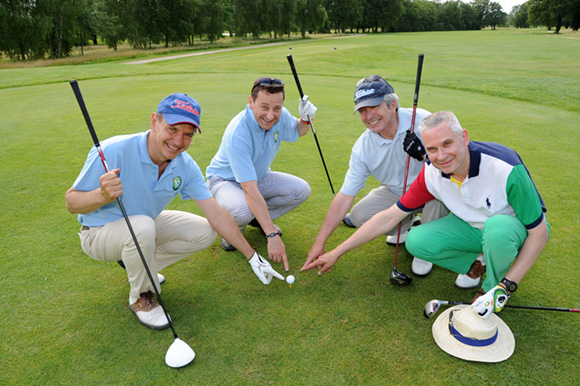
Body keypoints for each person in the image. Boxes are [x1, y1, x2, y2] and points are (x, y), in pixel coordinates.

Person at [65, 93, 283, 330]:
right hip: (97, 233)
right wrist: (101, 195)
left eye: (187, 134)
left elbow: (217, 214)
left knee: (206, 231)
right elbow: (71, 202)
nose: (179, 141)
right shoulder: (113, 150)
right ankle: (141, 298)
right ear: (154, 122)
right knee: (143, 228)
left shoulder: (184, 165)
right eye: (172, 129)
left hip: (142, 226)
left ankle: (141, 267)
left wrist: (252, 256)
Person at [303, 111, 549, 315]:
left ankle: (490, 288)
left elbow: (539, 233)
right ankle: (476, 265)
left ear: (464, 137)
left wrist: (507, 285)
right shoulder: (431, 173)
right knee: (416, 240)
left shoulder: (504, 166)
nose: (441, 156)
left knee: (498, 230)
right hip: (473, 228)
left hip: (513, 230)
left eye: (447, 144)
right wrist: (337, 251)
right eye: (432, 149)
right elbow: (389, 217)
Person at [303, 75, 447, 277]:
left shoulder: (423, 121)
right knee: (359, 215)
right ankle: (407, 225)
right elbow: (345, 196)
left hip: (432, 190)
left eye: (374, 107)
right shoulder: (363, 147)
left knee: (437, 189)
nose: (369, 116)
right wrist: (320, 243)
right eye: (362, 110)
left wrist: (425, 155)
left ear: (393, 105)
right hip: (398, 194)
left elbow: (454, 165)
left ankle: (425, 249)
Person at [206, 77, 316, 271]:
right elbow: (249, 190)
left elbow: (299, 131)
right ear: (251, 102)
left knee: (301, 190)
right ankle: (232, 231)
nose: (270, 115)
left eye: (277, 108)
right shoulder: (238, 133)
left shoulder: (280, 117)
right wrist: (271, 235)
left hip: (259, 176)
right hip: (225, 181)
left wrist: (306, 119)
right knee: (242, 210)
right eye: (264, 107)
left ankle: (257, 220)